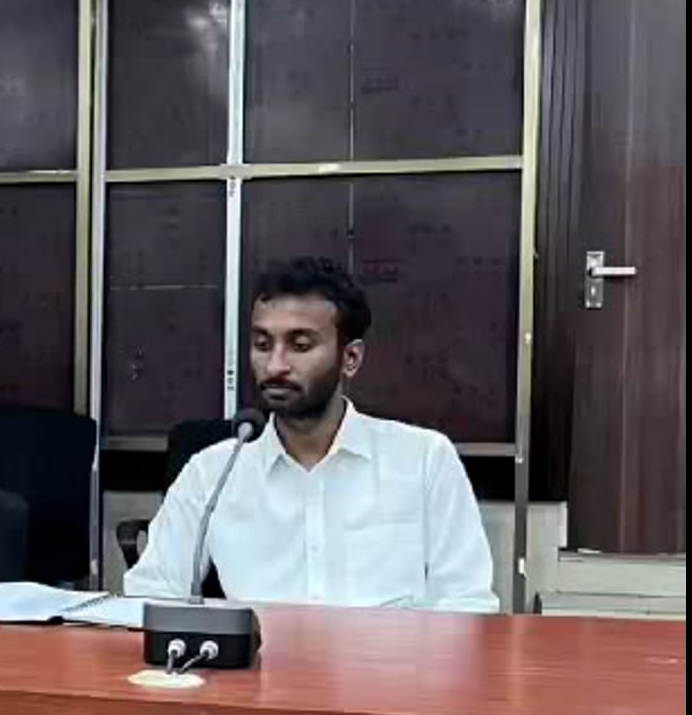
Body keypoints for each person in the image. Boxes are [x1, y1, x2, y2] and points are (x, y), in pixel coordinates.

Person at [124, 256, 497, 612]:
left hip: (388, 658)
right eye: (262, 344)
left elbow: (466, 603)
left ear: (350, 358)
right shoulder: (213, 473)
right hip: (259, 658)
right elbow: (150, 592)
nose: (275, 365)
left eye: (300, 346)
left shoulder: (424, 461)